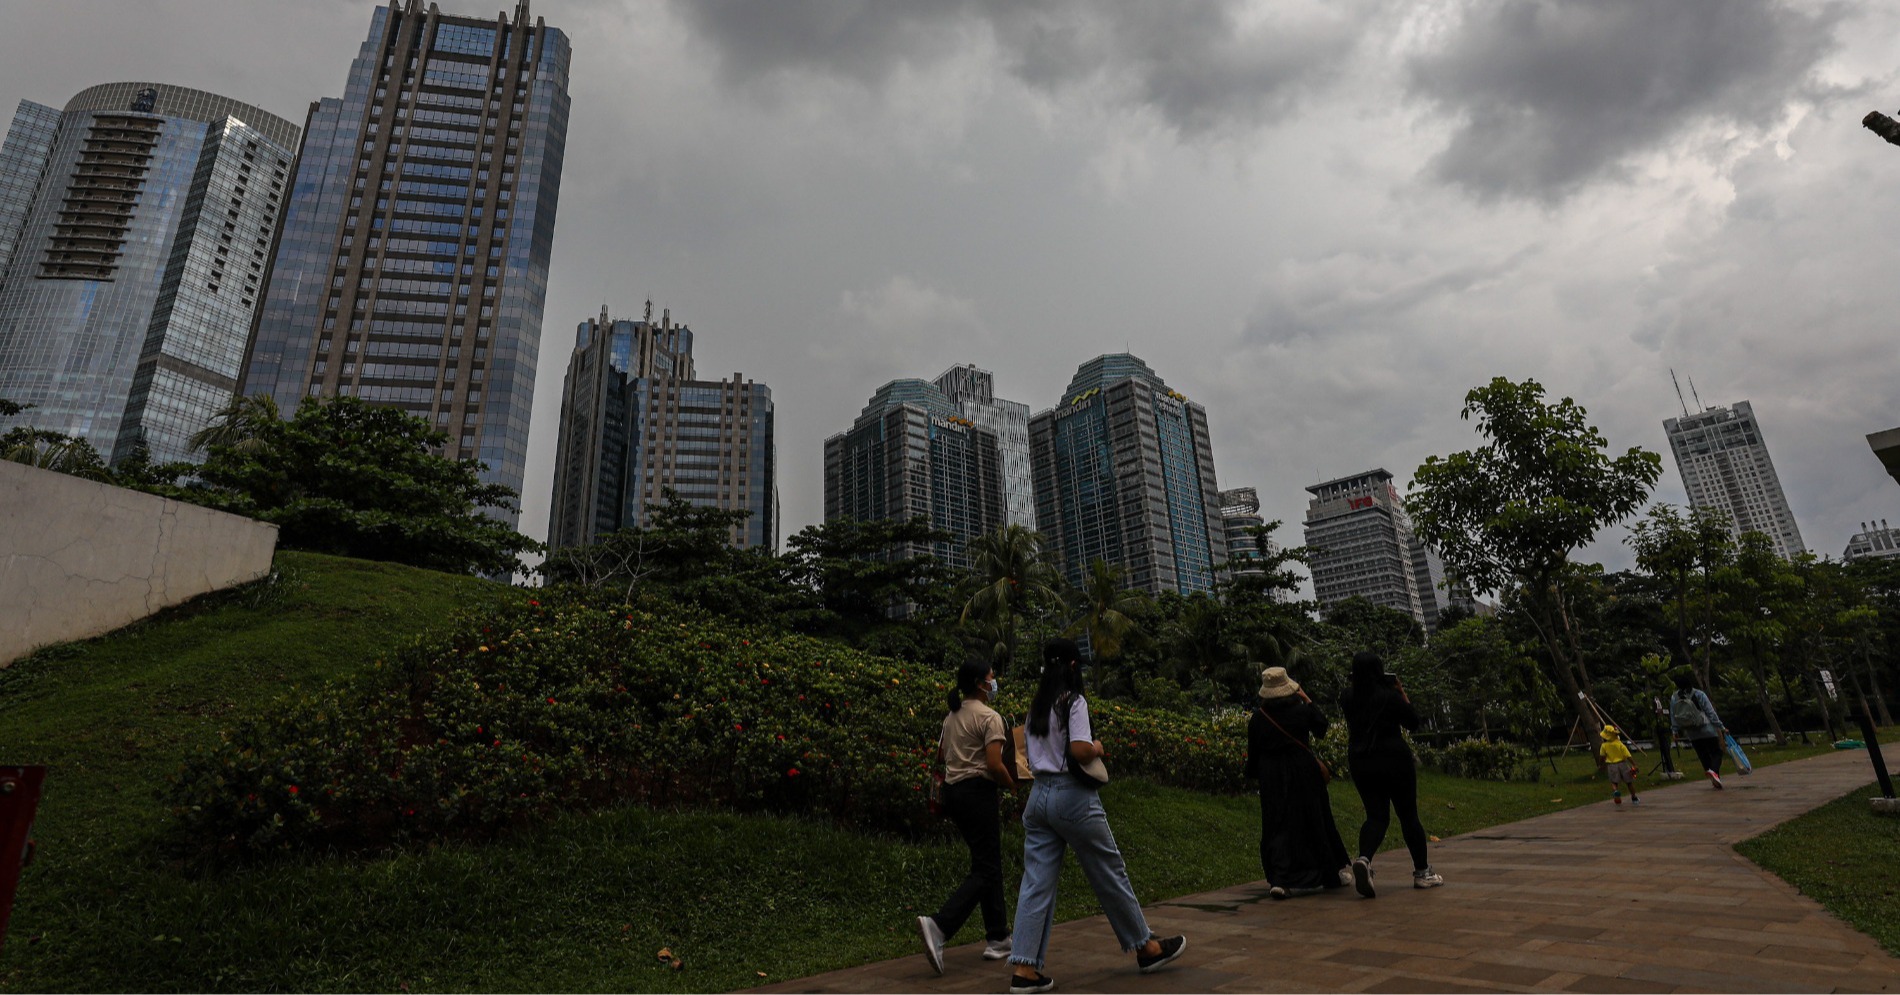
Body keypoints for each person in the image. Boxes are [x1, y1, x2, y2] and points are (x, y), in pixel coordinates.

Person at [1006, 639, 1187, 994]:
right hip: (1071, 797)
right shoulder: (1073, 701)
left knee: (1036, 883)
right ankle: (1146, 947)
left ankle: (1024, 969)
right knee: (1109, 871)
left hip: (1038, 798)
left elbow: (1028, 749)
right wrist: (1099, 747)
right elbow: (1079, 749)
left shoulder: (1036, 706)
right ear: (1074, 666)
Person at [917, 659, 1020, 975]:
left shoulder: (952, 715)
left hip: (953, 794)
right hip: (978, 793)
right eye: (992, 676)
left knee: (986, 861)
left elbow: (940, 756)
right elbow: (993, 764)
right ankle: (940, 925)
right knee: (987, 868)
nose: (995, 680)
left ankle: (999, 937)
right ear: (980, 683)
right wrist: (1013, 786)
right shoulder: (990, 718)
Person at [1341, 650, 1442, 897]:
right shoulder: (1389, 696)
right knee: (1408, 816)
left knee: (1375, 816)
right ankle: (1422, 873)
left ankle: (1364, 860)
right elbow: (1413, 722)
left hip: (1361, 761)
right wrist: (1401, 691)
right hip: (1394, 759)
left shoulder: (1346, 697)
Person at [1246, 666, 1350, 898]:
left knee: (1278, 826)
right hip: (1303, 772)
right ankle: (1327, 873)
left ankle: (1280, 879)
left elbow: (1253, 756)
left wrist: (1260, 777)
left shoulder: (1258, 718)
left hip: (1271, 776)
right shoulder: (1301, 711)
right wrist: (1307, 699)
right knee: (1314, 820)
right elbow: (1322, 727)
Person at [1670, 672, 1728, 789]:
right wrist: (1721, 727)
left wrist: (1675, 731)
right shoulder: (1699, 694)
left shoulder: (1674, 697)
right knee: (1717, 753)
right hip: (1707, 729)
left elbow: (1674, 716)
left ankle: (1715, 779)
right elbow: (1710, 712)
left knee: (1703, 756)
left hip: (1691, 732)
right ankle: (1715, 772)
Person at [1598, 724, 1640, 806]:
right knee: (1629, 782)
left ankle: (1616, 791)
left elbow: (1602, 757)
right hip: (1623, 764)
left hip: (1611, 765)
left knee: (1614, 782)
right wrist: (1634, 764)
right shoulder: (1620, 744)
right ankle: (1634, 797)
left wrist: (1600, 764)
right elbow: (1628, 756)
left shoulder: (1604, 746)